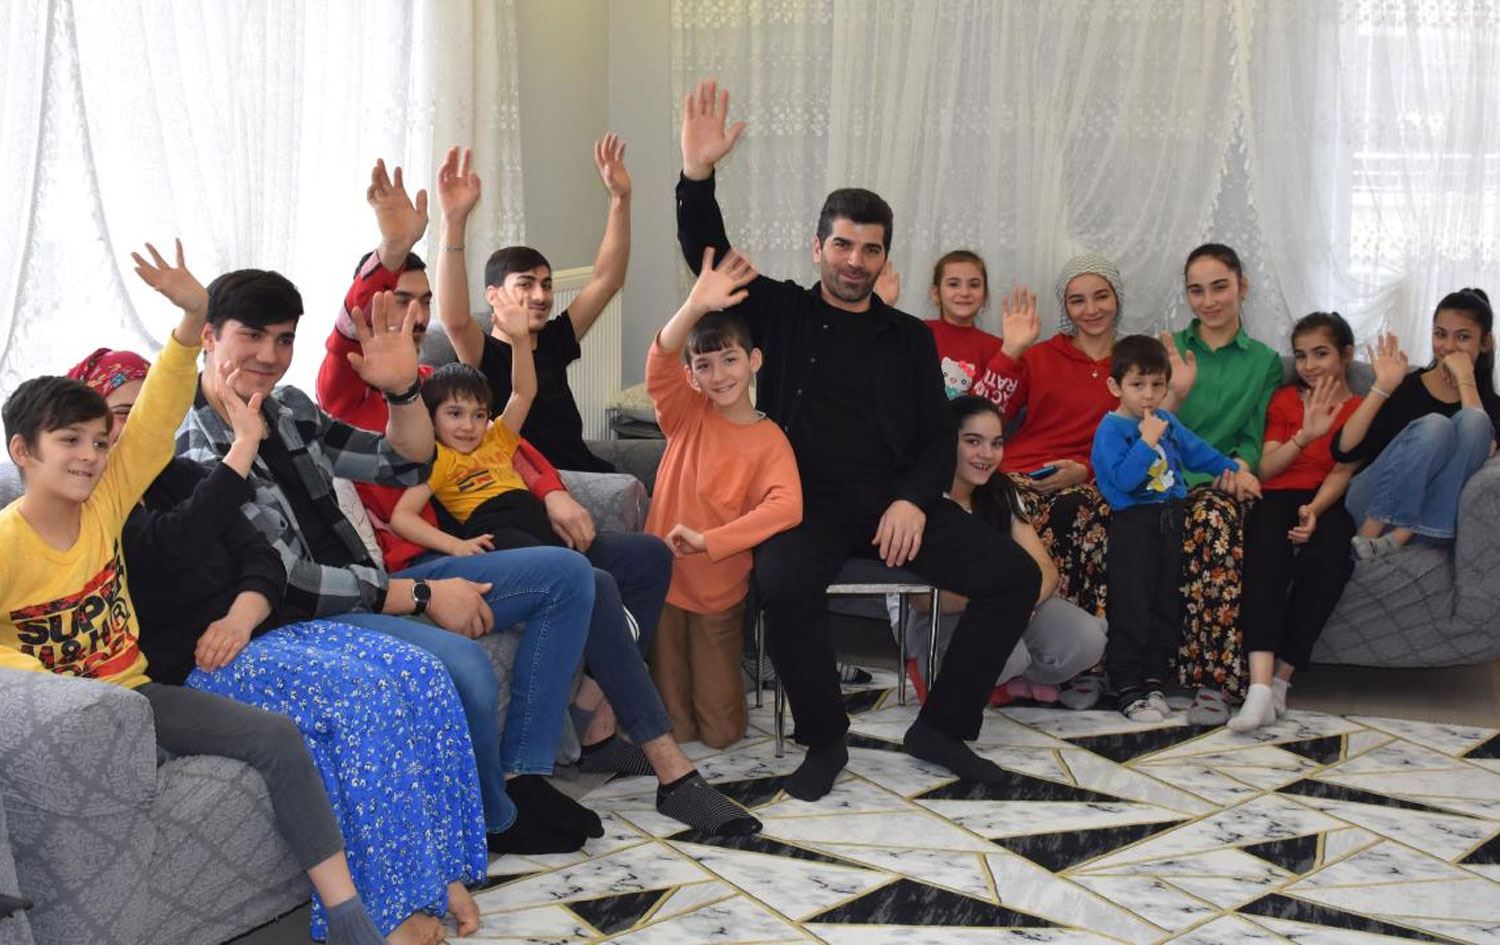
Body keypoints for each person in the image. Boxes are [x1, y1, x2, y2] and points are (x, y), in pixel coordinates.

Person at [314, 150, 758, 837]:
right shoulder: (347, 386)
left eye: (423, 302)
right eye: (401, 299)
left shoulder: (431, 383)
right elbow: (355, 336)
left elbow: (505, 440)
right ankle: (633, 771)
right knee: (582, 577)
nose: (417, 314)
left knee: (645, 557)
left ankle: (595, 716)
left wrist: (553, 491)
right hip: (431, 561)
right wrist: (395, 248)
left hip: (511, 533)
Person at [0, 241, 396, 945]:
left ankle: (349, 919)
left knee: (277, 737)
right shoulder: (7, 543)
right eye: (71, 441)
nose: (91, 455)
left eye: (99, 441)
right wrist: (46, 680)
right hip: (76, 720)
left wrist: (190, 319)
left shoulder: (108, 500)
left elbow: (156, 420)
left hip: (141, 693)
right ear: (23, 452)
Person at [677, 78, 1041, 800]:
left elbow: (937, 435)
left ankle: (943, 727)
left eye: (870, 250)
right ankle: (825, 737)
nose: (854, 260)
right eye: (842, 244)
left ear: (883, 260)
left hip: (892, 504)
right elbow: (706, 252)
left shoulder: (909, 338)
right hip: (801, 505)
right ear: (818, 247)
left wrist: (913, 501)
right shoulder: (779, 310)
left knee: (1015, 575)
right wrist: (696, 173)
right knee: (782, 580)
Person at [177, 260, 604, 854]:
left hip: (365, 587)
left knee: (569, 575)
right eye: (252, 336)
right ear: (208, 336)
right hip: (299, 618)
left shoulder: (287, 408)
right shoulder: (196, 447)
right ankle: (495, 818)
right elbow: (287, 579)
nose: (270, 356)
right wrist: (420, 594)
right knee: (465, 667)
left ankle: (521, 778)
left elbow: (402, 464)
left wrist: (403, 393)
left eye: (283, 340)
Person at [72, 347, 484, 943]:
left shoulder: (181, 476)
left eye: (146, 412)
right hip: (198, 664)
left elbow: (263, 560)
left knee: (419, 673)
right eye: (118, 414)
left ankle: (441, 872)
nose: (133, 428)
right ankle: (393, 908)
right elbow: (171, 545)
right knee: (362, 697)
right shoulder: (98, 504)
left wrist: (242, 615)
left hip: (260, 631)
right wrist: (242, 449)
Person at [645, 248, 803, 748]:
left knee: (721, 732)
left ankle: (728, 686)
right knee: (672, 725)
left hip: (719, 590)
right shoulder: (686, 412)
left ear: (754, 362)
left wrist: (710, 540)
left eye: (730, 360)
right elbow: (660, 359)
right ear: (692, 375)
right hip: (664, 581)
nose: (719, 375)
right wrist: (694, 306)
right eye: (705, 366)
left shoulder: (770, 439)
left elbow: (787, 506)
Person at [898, 396, 1106, 709]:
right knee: (1006, 653)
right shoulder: (920, 499)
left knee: (1087, 638)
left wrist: (1017, 603)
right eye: (973, 441)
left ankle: (1013, 679)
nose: (987, 454)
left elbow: (1046, 570)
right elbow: (921, 599)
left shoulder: (1001, 491)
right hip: (941, 615)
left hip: (1007, 603)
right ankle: (930, 668)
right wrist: (999, 603)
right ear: (946, 442)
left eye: (996, 443)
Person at [439, 136, 631, 473]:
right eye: (525, 285)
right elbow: (454, 319)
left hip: (591, 470)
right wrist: (454, 223)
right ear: (493, 295)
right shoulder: (482, 353)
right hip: (546, 485)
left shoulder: (554, 338)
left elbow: (607, 280)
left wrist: (620, 199)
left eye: (546, 285)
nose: (541, 296)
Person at [1092, 335, 1258, 721]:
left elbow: (1198, 452)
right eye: (1137, 384)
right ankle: (1127, 685)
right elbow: (1123, 481)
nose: (1148, 395)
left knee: (1165, 603)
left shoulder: (1167, 421)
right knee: (1132, 605)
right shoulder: (1111, 430)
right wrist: (1146, 443)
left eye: (1158, 385)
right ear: (1115, 386)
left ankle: (1153, 680)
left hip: (1170, 521)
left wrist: (1234, 471)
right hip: (1133, 526)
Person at [1162, 243, 1283, 720]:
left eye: (1219, 287)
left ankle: (1214, 682)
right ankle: (1118, 670)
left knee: (1213, 520)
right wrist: (1174, 392)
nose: (1208, 301)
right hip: (1163, 475)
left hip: (1221, 481)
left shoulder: (1264, 361)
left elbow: (1253, 435)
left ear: (1242, 287)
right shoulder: (1169, 348)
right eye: (1197, 290)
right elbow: (1147, 423)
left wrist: (1236, 468)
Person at [970, 254, 1124, 621]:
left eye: (1101, 296)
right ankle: (1004, 627)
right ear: (1065, 308)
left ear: (1118, 298)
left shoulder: (1132, 364)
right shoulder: (1040, 356)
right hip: (1019, 476)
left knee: (1088, 510)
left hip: (1090, 484)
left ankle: (1076, 640)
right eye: (1077, 300)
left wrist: (1084, 471)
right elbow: (979, 417)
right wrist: (1011, 351)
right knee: (999, 505)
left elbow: (1141, 439)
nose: (1091, 309)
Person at [1231, 313, 1364, 732]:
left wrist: (1315, 511)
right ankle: (1257, 688)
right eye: (1301, 355)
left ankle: (1280, 682)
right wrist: (1304, 435)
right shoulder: (1286, 399)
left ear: (1346, 355)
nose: (1309, 365)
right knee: (1264, 557)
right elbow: (1267, 468)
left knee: (1330, 560)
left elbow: (1343, 471)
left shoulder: (1360, 409)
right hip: (1276, 494)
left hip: (1324, 498)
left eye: (1320, 354)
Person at [1332, 289, 1500, 557]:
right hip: (1369, 503)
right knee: (1436, 425)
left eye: (1463, 337)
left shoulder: (1492, 406)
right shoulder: (1408, 386)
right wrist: (1382, 387)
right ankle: (1370, 532)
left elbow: (1480, 440)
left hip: (1430, 520)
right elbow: (1344, 451)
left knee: (1475, 421)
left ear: (1485, 343)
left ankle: (1398, 537)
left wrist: (1466, 380)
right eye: (1440, 334)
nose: (1448, 346)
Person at [391, 331, 561, 553]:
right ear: (430, 418)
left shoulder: (498, 438)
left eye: (479, 415)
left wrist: (521, 340)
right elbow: (401, 518)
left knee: (602, 558)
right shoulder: (437, 458)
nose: (468, 426)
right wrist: (455, 545)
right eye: (455, 414)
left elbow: (523, 393)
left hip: (538, 526)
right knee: (572, 567)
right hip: (495, 531)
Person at [925, 250, 1001, 398]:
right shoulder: (918, 332)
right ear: (936, 294)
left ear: (985, 295)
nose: (965, 292)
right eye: (953, 284)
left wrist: (1013, 351)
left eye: (974, 285)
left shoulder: (996, 348)